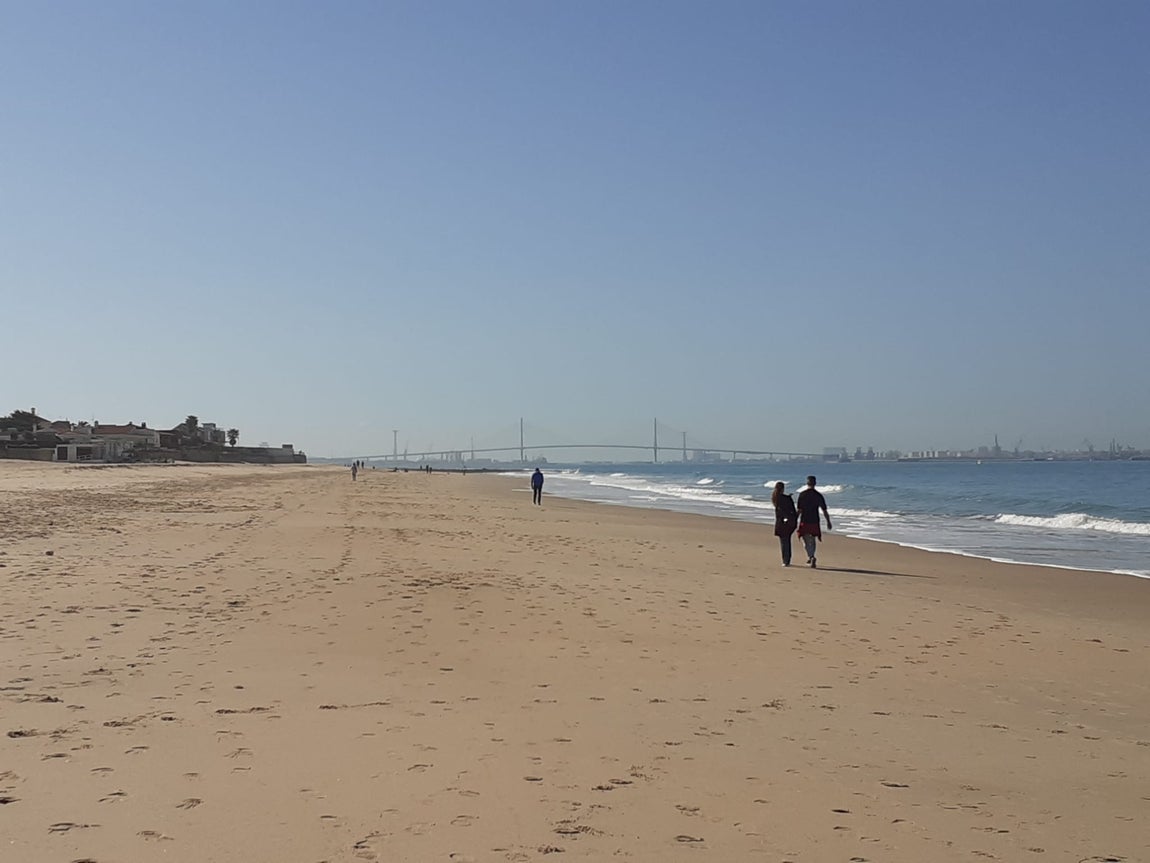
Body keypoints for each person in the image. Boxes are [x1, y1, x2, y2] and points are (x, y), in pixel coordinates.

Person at [796, 475, 832, 568]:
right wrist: (828, 521)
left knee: (805, 539)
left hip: (805, 520)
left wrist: (794, 519)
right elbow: (824, 510)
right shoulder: (818, 495)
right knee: (813, 539)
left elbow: (799, 510)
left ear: (807, 483)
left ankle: (811, 556)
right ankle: (811, 556)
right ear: (815, 483)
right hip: (815, 520)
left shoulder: (802, 495)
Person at [771, 481, 798, 566]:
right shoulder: (786, 498)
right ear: (783, 489)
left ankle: (785, 560)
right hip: (789, 522)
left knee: (783, 541)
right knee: (787, 540)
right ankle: (787, 559)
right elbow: (793, 511)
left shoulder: (775, 498)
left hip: (780, 522)